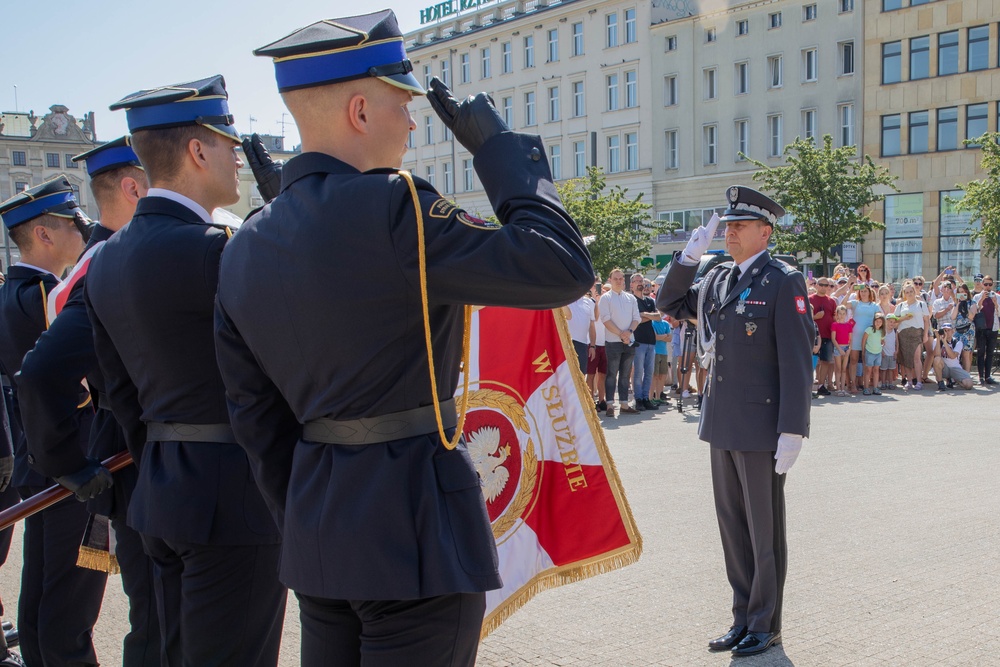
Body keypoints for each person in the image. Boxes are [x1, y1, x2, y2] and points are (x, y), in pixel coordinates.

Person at [213, 10, 593, 666]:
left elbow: (255, 416)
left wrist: (309, 509)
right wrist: (499, 152)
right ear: (359, 109)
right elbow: (560, 266)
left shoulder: (245, 243)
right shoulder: (398, 206)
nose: (415, 121)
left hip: (320, 532)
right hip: (415, 530)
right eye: (403, 103)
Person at [85, 76, 286, 666]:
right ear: (198, 151)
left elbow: (119, 392)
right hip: (235, 493)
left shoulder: (105, 260)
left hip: (162, 490)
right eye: (227, 144)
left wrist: (160, 464)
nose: (236, 160)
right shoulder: (218, 248)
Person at [16, 138, 162, 667]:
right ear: (135, 187)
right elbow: (50, 373)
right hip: (130, 454)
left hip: (120, 454)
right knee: (157, 618)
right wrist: (66, 463)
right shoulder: (103, 264)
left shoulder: (93, 263)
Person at [657, 186, 812, 657]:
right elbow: (669, 301)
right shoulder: (718, 277)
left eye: (739, 226)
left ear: (765, 231)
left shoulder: (783, 281)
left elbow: (797, 359)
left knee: (764, 532)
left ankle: (767, 624)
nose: (730, 233)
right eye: (726, 227)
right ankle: (743, 616)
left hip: (762, 427)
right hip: (721, 421)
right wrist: (688, 257)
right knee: (732, 527)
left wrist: (793, 428)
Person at [0, 177, 108, 667]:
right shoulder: (48, 296)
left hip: (36, 458)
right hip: (71, 459)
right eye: (73, 223)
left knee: (43, 586)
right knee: (71, 596)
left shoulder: (12, 290)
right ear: (44, 235)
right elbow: (75, 380)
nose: (82, 230)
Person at [601, 269, 641, 416]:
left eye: (621, 278)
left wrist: (628, 333)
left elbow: (637, 318)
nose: (619, 281)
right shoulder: (606, 298)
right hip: (613, 342)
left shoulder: (631, 298)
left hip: (629, 341)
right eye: (615, 278)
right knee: (612, 373)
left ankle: (624, 403)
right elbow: (605, 319)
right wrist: (621, 334)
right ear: (610, 280)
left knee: (625, 374)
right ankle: (610, 404)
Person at [630, 273, 660, 411]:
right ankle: (639, 399)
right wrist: (648, 315)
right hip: (638, 341)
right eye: (636, 281)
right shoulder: (631, 300)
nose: (639, 283)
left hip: (651, 341)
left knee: (649, 372)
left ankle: (646, 398)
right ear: (631, 285)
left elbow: (658, 316)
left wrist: (644, 314)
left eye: (641, 281)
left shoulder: (650, 301)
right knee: (638, 372)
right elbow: (636, 319)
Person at [847, 284, 880, 394]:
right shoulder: (855, 303)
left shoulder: (875, 306)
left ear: (870, 292)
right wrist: (849, 290)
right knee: (854, 360)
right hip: (856, 335)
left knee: (867, 361)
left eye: (866, 291)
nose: (863, 293)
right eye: (862, 291)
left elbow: (881, 319)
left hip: (870, 337)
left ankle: (867, 385)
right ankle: (853, 384)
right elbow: (841, 305)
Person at [810, 278, 837, 395]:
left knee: (826, 361)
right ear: (816, 285)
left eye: (826, 285)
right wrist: (815, 317)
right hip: (813, 336)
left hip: (827, 335)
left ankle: (821, 385)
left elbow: (835, 317)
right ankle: (809, 386)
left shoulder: (832, 301)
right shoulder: (809, 299)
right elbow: (803, 317)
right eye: (821, 284)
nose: (824, 287)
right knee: (812, 362)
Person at [586, 281, 608, 410]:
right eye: (594, 286)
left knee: (603, 374)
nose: (597, 290)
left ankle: (601, 400)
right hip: (592, 343)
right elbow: (595, 317)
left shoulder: (606, 302)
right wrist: (596, 300)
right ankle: (590, 401)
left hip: (605, 343)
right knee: (591, 374)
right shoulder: (589, 302)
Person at [563, 290, 596, 375]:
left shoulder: (589, 302)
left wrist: (592, 345)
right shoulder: (564, 300)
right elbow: (568, 316)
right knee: (567, 376)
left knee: (581, 375)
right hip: (567, 344)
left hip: (582, 344)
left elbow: (592, 325)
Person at [972, 277, 999, 384]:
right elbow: (975, 310)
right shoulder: (977, 296)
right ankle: (981, 377)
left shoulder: (997, 296)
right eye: (986, 284)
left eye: (990, 284)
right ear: (982, 284)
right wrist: (981, 299)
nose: (988, 287)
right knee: (980, 352)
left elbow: (999, 313)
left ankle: (988, 376)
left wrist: (996, 303)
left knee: (990, 353)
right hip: (981, 328)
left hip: (993, 327)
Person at [933, 325, 974, 390]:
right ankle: (940, 383)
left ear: (953, 331)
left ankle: (954, 380)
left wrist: (945, 342)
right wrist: (939, 339)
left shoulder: (958, 342)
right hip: (944, 368)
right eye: (944, 330)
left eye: (948, 330)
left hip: (955, 368)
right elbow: (936, 354)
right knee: (937, 359)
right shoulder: (936, 341)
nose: (946, 332)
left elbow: (952, 356)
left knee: (969, 385)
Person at [950, 283, 977, 371]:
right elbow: (953, 316)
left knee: (966, 353)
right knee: (956, 353)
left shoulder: (972, 303)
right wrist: (958, 304)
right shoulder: (956, 304)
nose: (961, 294)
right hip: (958, 331)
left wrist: (965, 306)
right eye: (959, 292)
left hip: (968, 330)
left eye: (963, 292)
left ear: (967, 292)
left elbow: (971, 316)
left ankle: (966, 375)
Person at [830, 305, 854, 397]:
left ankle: (843, 389)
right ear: (837, 314)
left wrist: (849, 349)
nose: (842, 315)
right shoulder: (834, 325)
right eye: (840, 313)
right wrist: (839, 349)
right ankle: (838, 388)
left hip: (846, 348)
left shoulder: (848, 325)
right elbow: (833, 338)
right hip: (838, 348)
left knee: (844, 369)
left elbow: (851, 339)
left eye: (844, 313)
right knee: (838, 369)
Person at [860, 313, 885, 395]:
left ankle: (875, 388)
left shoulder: (882, 331)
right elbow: (863, 341)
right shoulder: (869, 329)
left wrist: (882, 346)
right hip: (869, 352)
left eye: (880, 322)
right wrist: (863, 351)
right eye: (877, 321)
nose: (878, 323)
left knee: (876, 370)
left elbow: (882, 341)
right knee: (868, 370)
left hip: (878, 353)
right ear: (874, 321)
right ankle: (866, 388)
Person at [881, 314, 900, 389]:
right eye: (890, 322)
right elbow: (880, 342)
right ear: (886, 322)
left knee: (891, 370)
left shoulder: (895, 331)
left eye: (893, 322)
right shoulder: (882, 331)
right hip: (884, 354)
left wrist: (897, 351)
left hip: (892, 354)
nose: (892, 323)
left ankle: (890, 383)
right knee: (883, 370)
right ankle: (883, 383)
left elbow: (897, 342)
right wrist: (881, 351)